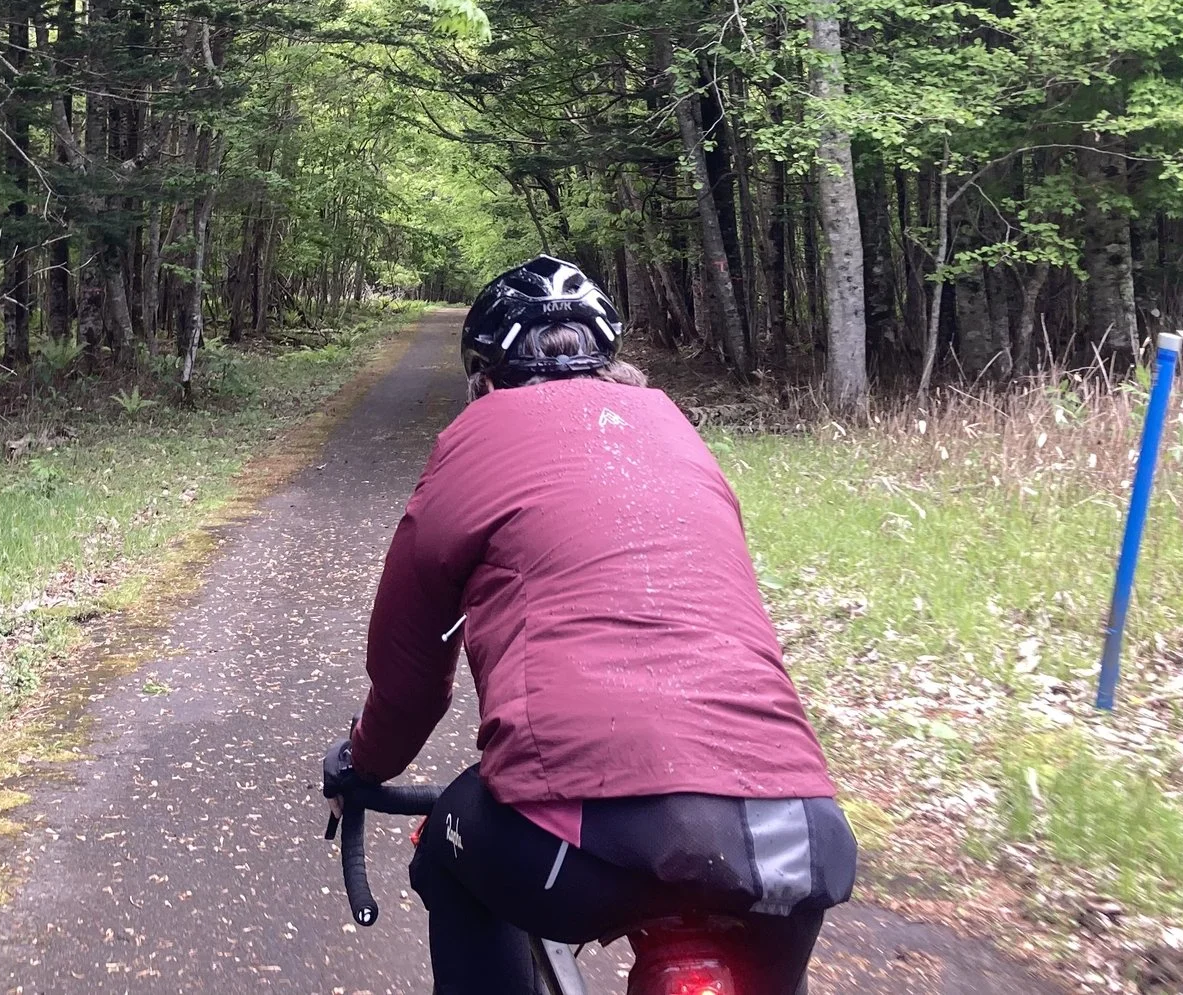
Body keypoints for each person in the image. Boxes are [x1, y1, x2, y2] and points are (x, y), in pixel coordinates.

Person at [322, 255, 855, 995]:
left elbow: (409, 680)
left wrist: (362, 765)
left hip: (579, 840)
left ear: (483, 378)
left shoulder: (476, 435)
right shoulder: (676, 430)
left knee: (448, 851)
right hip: (797, 834)